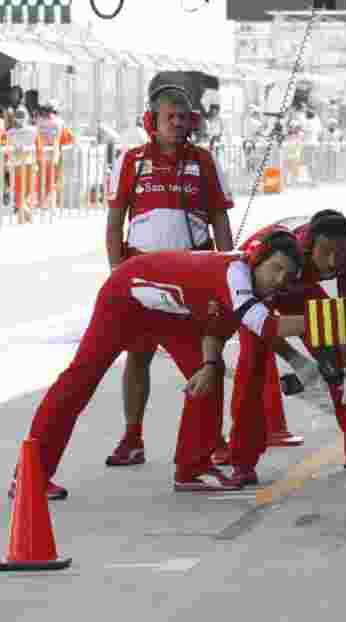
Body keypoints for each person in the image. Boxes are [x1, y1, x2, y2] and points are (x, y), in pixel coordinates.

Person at [9, 232, 310, 499]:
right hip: (125, 296)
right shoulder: (236, 277)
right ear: (256, 260)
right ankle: (30, 476)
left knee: (209, 373)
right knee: (79, 380)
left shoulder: (248, 283)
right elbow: (267, 327)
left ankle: (192, 470)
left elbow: (213, 332)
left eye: (289, 274)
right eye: (276, 268)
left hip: (165, 312)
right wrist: (331, 321)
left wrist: (206, 363)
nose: (281, 280)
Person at [218, 210, 346, 483]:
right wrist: (295, 359)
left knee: (339, 370)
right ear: (307, 247)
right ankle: (242, 461)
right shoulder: (273, 251)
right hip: (260, 292)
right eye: (325, 252)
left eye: (339, 253)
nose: (332, 263)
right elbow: (261, 324)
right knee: (253, 370)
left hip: (302, 289)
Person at [103, 82, 235, 468]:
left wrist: (228, 264)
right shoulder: (130, 161)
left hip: (194, 276)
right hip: (141, 275)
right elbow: (114, 224)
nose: (177, 124)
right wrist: (117, 274)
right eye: (169, 118)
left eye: (183, 118)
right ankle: (132, 438)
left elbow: (219, 217)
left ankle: (214, 439)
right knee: (137, 355)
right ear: (151, 121)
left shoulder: (205, 161)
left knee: (202, 358)